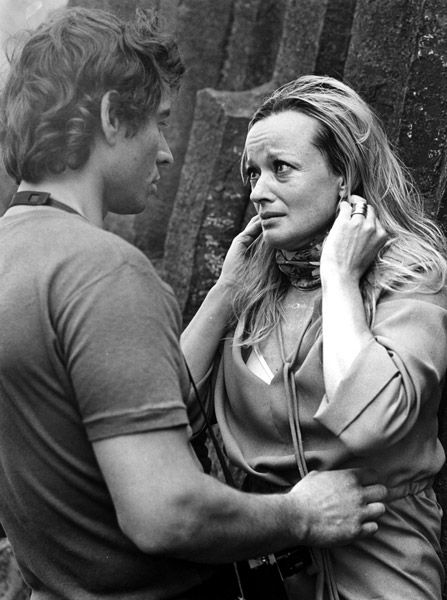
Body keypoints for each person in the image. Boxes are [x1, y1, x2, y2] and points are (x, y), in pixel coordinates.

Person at [0, 8, 387, 600]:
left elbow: (126, 399)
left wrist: (227, 291)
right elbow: (167, 514)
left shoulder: (14, 256)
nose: (164, 152)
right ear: (110, 116)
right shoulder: (103, 273)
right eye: (158, 122)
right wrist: (301, 514)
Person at [182, 74, 447, 600]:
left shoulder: (412, 278)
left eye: (281, 168)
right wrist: (224, 292)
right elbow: (159, 415)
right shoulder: (250, 294)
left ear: (343, 175)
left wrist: (340, 277)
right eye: (253, 173)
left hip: (380, 569)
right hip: (263, 574)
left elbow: (372, 423)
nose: (258, 191)